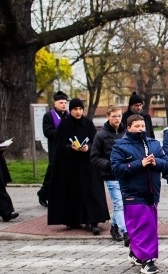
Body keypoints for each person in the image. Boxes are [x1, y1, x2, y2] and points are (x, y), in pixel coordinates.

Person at [110, 114, 168, 274]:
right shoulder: (120, 146)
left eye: (142, 126)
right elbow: (117, 169)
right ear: (128, 127)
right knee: (144, 226)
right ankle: (147, 260)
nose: (140, 129)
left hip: (152, 193)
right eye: (136, 126)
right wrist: (140, 164)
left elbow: (167, 164)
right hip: (132, 193)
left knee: (148, 226)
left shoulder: (153, 144)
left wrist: (155, 162)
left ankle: (135, 251)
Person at [47, 98, 110, 233]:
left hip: (87, 165)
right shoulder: (64, 125)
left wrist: (88, 148)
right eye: (75, 109)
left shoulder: (88, 124)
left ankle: (92, 220)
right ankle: (73, 219)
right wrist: (70, 148)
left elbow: (96, 143)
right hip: (70, 166)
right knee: (72, 192)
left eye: (80, 109)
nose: (78, 112)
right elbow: (59, 146)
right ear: (71, 110)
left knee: (91, 191)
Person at [90, 105, 127, 243]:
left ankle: (114, 226)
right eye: (114, 116)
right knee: (119, 204)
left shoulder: (126, 132)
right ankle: (125, 232)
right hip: (111, 175)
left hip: (126, 173)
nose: (117, 119)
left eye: (119, 116)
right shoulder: (101, 135)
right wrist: (107, 164)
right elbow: (94, 157)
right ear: (108, 116)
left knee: (124, 203)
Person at [37, 91, 69, 207]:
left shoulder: (69, 115)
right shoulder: (49, 116)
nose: (64, 105)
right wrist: (62, 133)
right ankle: (43, 194)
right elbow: (48, 132)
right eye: (61, 103)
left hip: (68, 149)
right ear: (55, 104)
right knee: (52, 174)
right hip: (55, 150)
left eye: (65, 103)